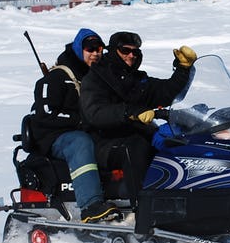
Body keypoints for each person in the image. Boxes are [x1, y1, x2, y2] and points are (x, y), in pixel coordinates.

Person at [80, 31, 196, 205]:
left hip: (135, 134)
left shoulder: (136, 79)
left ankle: (189, 200)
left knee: (178, 142)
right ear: (113, 51)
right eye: (125, 51)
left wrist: (183, 69)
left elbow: (165, 92)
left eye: (135, 51)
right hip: (103, 141)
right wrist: (130, 112)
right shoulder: (96, 78)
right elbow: (95, 112)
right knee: (137, 147)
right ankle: (143, 209)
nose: (131, 55)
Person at [30, 28, 120, 223]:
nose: (96, 52)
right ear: (79, 49)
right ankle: (90, 206)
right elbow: (45, 113)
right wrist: (80, 120)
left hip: (85, 131)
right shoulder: (57, 77)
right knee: (81, 142)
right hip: (56, 137)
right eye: (90, 48)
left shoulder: (99, 76)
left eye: (99, 48)